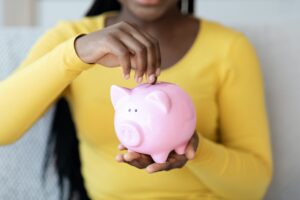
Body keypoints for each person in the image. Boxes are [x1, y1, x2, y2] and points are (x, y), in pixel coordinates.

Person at [0, 0, 273, 199]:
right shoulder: (70, 40)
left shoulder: (229, 48)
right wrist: (77, 54)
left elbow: (253, 187)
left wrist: (195, 150)